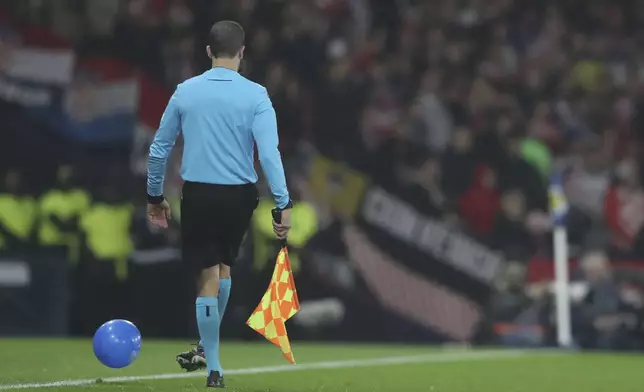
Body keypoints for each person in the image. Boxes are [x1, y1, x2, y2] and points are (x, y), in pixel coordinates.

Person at [146, 20, 292, 388]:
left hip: (199, 194)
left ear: (208, 52)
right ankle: (204, 347)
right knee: (224, 269)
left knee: (207, 276)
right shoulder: (257, 95)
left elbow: (160, 147)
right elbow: (269, 154)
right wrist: (282, 202)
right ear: (242, 53)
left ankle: (213, 367)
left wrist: (154, 195)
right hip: (240, 197)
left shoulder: (185, 92)